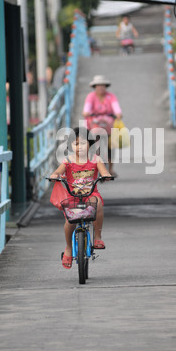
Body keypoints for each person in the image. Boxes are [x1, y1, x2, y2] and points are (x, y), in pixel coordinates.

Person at [50, 127, 112, 269]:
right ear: (71, 145)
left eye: (83, 143)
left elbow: (104, 172)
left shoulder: (96, 160)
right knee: (69, 221)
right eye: (76, 144)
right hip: (73, 197)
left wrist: (106, 176)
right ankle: (68, 248)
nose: (79, 147)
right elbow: (58, 171)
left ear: (90, 144)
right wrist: (55, 175)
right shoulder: (68, 161)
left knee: (97, 204)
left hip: (91, 194)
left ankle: (97, 236)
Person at [83, 75, 122, 176]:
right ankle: (92, 167)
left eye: (102, 86)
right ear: (95, 87)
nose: (100, 88)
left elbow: (116, 108)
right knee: (91, 144)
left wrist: (118, 114)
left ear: (106, 87)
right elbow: (86, 110)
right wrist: (86, 113)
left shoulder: (111, 96)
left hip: (108, 124)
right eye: (98, 86)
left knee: (110, 146)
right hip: (94, 124)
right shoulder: (90, 97)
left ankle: (111, 169)